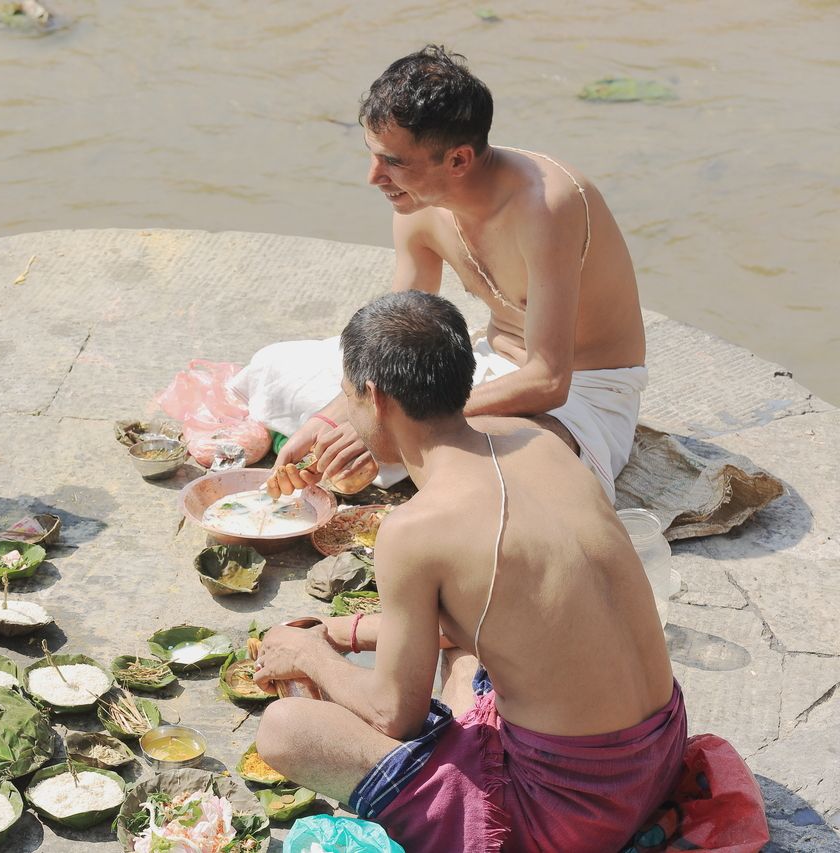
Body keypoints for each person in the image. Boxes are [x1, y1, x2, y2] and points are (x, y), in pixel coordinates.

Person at [255, 292, 684, 852]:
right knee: (465, 656)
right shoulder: (543, 441)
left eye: (347, 394)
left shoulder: (413, 530)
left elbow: (393, 717)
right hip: (659, 756)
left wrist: (309, 655)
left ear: (375, 397)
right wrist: (349, 629)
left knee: (285, 729)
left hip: (566, 815)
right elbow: (510, 609)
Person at [247, 45, 647, 501]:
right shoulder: (415, 203)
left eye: (394, 162)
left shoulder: (547, 206)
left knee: (515, 478)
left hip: (582, 394)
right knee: (274, 369)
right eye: (374, 154)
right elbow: (392, 341)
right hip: (474, 371)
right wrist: (330, 419)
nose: (374, 177)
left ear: (458, 160)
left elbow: (549, 380)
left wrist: (392, 427)